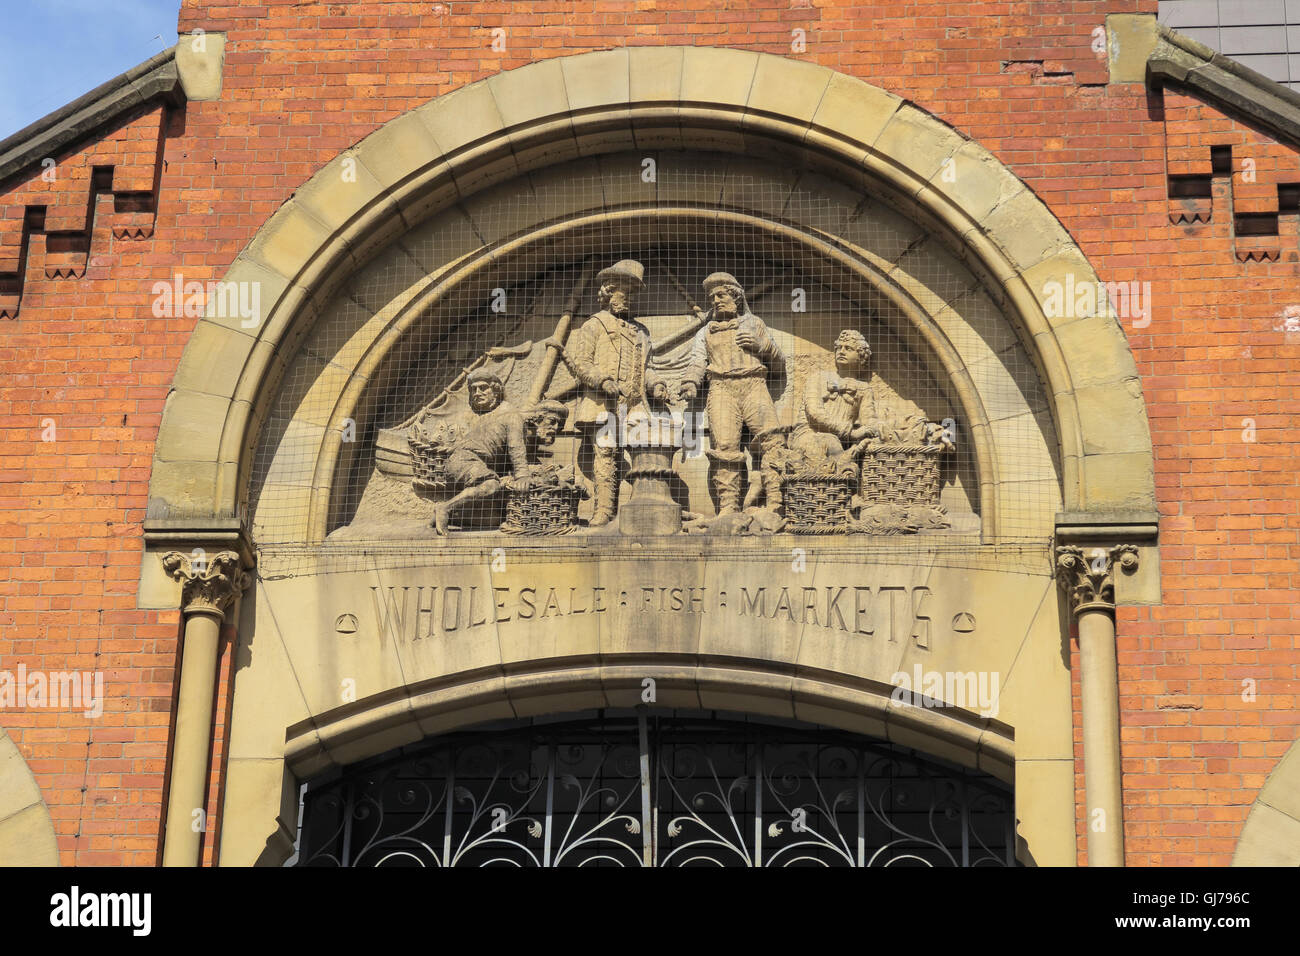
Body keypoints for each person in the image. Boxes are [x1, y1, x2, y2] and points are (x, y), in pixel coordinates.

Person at [562, 259, 667, 526]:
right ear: (609, 292)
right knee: (606, 454)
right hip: (603, 403)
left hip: (634, 405)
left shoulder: (641, 332)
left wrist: (656, 385)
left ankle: (639, 510)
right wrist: (602, 380)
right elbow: (580, 362)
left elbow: (647, 368)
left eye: (633, 293)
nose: (630, 299)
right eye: (625, 292)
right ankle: (604, 510)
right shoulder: (594, 325)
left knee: (645, 451)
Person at [679, 272, 785, 516]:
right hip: (721, 388)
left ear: (736, 298)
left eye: (721, 295)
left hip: (754, 384)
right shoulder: (705, 332)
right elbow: (696, 362)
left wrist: (762, 347)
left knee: (772, 440)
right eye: (712, 297)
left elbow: (780, 364)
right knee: (724, 446)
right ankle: (728, 508)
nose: (715, 300)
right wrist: (691, 383)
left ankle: (775, 501)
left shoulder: (754, 324)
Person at [431, 398, 568, 535]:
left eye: (560, 425)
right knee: (491, 486)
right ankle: (445, 508)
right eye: (552, 421)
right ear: (538, 418)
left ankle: (443, 518)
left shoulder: (530, 438)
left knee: (494, 520)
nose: (556, 428)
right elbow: (516, 450)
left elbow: (528, 463)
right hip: (464, 459)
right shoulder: (516, 419)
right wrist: (522, 476)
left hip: (478, 466)